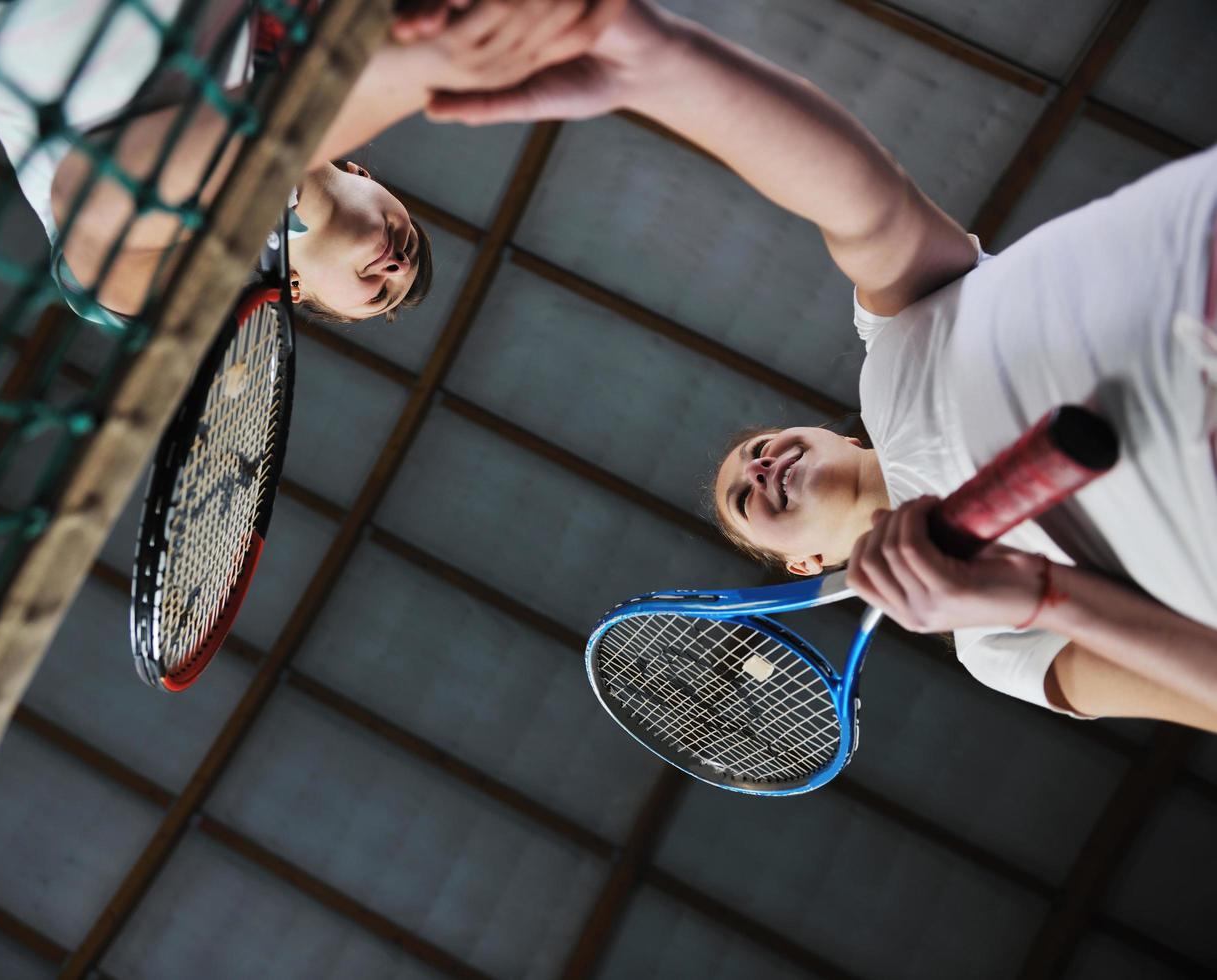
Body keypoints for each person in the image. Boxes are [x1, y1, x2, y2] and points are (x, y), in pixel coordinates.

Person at [426, 0, 1217, 731]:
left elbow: (866, 205)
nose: (761, 464)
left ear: (842, 437)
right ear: (805, 566)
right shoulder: (991, 644)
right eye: (747, 494)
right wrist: (1048, 598)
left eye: (757, 449)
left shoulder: (893, 348)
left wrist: (673, 65)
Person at [0, 0, 618, 326]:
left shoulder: (184, 281)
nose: (399, 271)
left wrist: (414, 72)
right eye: (414, 250)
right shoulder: (314, 42)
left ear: (294, 292)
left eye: (380, 295)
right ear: (369, 176)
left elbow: (97, 197)